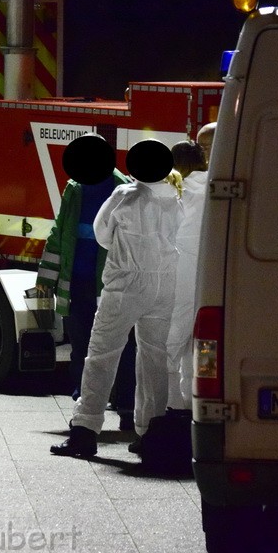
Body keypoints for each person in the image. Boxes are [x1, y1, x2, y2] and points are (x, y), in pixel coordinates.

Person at [51, 139, 183, 458]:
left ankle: (85, 431)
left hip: (126, 282)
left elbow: (101, 233)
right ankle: (149, 432)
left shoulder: (125, 194)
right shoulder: (175, 200)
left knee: (102, 353)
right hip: (165, 283)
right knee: (154, 357)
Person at [35, 134, 138, 430]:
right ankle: (83, 408)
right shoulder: (75, 188)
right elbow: (60, 233)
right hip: (78, 285)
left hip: (109, 287)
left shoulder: (124, 189)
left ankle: (127, 409)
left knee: (123, 348)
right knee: (81, 346)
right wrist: (47, 277)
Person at [165, 141, 208, 409]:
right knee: (201, 350)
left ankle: (171, 411)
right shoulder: (217, 184)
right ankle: (198, 407)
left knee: (169, 349)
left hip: (181, 279)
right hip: (212, 281)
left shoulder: (179, 190)